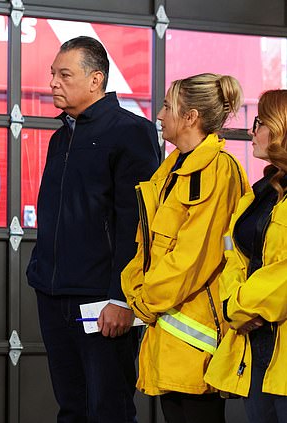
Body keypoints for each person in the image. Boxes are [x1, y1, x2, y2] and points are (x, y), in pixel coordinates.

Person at [26, 36, 160, 422]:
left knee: (109, 411)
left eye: (64, 74)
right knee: (71, 409)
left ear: (95, 80)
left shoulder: (130, 132)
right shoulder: (60, 137)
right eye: (53, 73)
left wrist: (120, 297)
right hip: (53, 295)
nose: (52, 82)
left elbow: (136, 225)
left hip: (103, 301)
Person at [121, 73, 250, 423]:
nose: (160, 116)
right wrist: (134, 289)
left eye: (166, 106)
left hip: (197, 342)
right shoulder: (172, 167)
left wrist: (144, 301)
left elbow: (192, 259)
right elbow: (148, 247)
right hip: (170, 334)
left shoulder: (218, 171)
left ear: (190, 116)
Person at [205, 89, 287, 423]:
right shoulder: (261, 193)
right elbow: (233, 254)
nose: (252, 131)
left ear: (281, 128)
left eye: (260, 122)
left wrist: (241, 305)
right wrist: (233, 307)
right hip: (255, 344)